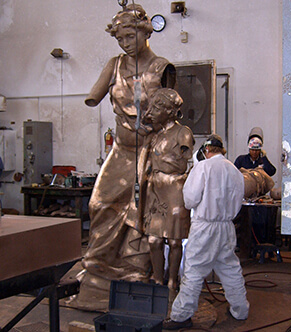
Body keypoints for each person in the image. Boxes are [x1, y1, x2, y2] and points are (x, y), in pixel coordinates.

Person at [74, 4, 176, 311]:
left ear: (145, 32)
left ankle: (134, 271)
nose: (124, 42)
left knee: (141, 213)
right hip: (120, 149)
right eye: (119, 38)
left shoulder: (162, 67)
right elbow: (94, 96)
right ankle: (98, 269)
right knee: (99, 204)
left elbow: (171, 112)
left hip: (149, 149)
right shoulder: (115, 64)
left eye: (130, 35)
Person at [163, 134, 250, 330]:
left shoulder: (202, 167)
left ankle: (181, 316)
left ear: (206, 151)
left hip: (205, 227)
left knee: (193, 271)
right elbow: (238, 200)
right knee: (230, 269)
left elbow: (190, 200)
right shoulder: (234, 171)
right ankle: (241, 310)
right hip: (226, 227)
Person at [140, 88, 194, 304]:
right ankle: (157, 280)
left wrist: (163, 168)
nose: (152, 112)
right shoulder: (156, 135)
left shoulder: (183, 133)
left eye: (157, 108)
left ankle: (172, 282)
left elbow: (182, 161)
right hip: (156, 191)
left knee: (174, 241)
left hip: (174, 190)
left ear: (170, 111)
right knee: (153, 239)